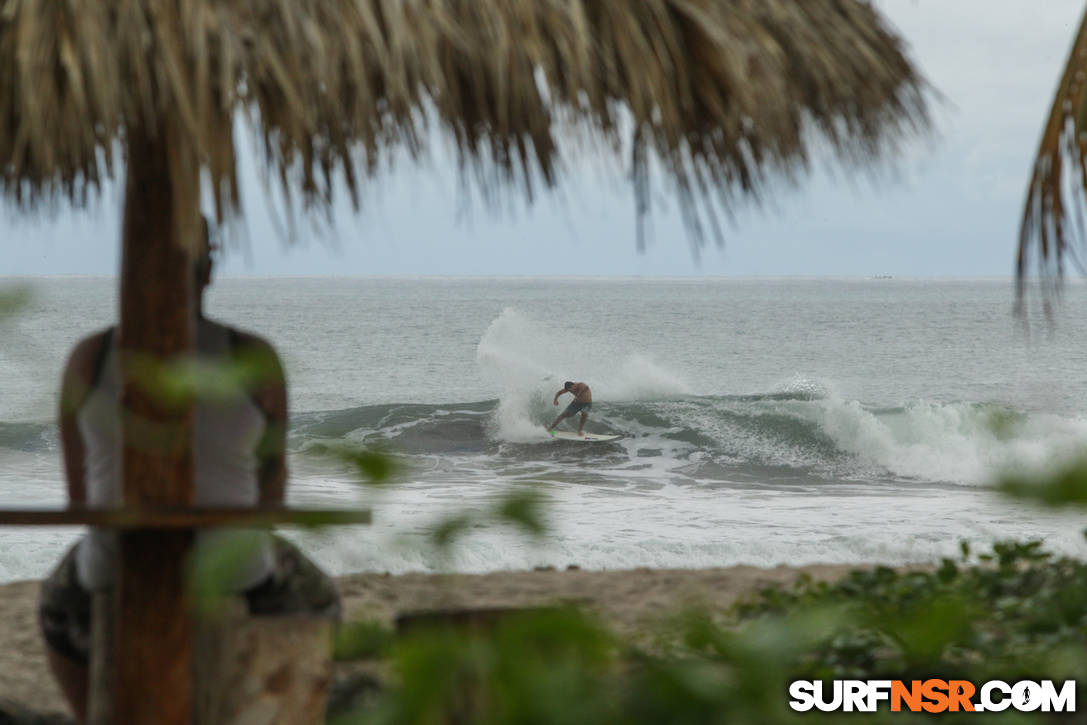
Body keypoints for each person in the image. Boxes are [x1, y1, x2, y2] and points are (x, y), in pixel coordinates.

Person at [38, 219, 340, 723]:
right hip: (237, 571)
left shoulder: (90, 358)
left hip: (113, 568)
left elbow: (79, 498)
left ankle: (93, 715)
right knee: (320, 599)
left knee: (56, 608)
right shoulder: (252, 357)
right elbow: (273, 488)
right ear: (209, 271)